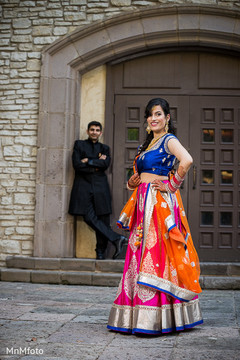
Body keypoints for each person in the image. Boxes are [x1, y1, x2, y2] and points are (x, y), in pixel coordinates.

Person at [107, 98, 203, 334]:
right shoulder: (147, 145)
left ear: (167, 118)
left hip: (159, 204)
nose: (153, 118)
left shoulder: (169, 140)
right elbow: (140, 175)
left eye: (158, 114)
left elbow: (187, 160)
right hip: (142, 202)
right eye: (150, 115)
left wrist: (172, 184)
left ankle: (159, 317)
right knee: (138, 252)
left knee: (157, 253)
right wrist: (132, 182)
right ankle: (135, 316)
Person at [68, 121, 127, 260]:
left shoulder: (104, 148)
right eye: (92, 129)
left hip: (100, 186)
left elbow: (105, 164)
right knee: (88, 217)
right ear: (88, 131)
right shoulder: (79, 145)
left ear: (100, 133)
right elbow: (77, 164)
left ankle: (100, 252)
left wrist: (88, 160)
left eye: (97, 130)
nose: (94, 132)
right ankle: (116, 238)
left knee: (103, 218)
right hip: (83, 186)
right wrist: (96, 163)